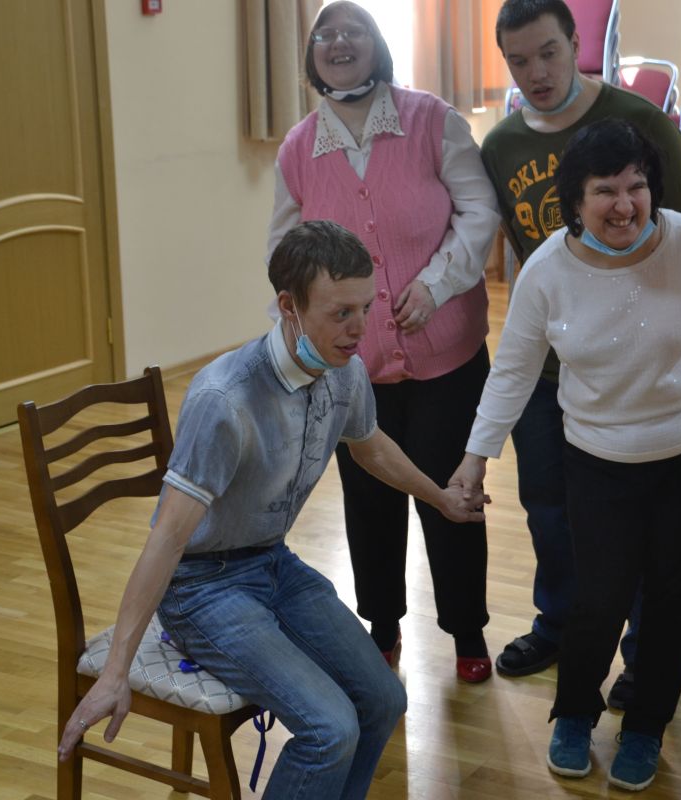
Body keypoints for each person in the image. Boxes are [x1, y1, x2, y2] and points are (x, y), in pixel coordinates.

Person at [57, 221, 488, 800]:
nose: (359, 329)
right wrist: (115, 672)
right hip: (201, 589)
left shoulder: (344, 370)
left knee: (384, 699)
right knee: (329, 730)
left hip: (271, 564)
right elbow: (167, 539)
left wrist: (440, 499)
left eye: (366, 308)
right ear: (289, 307)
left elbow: (370, 447)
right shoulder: (225, 399)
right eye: (341, 313)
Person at [452, 119, 681, 792]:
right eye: (605, 190)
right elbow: (514, 370)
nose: (625, 204)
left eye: (637, 186)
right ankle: (575, 713)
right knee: (596, 598)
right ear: (575, 200)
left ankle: (648, 724)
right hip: (599, 458)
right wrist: (475, 456)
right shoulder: (548, 270)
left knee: (672, 597)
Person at [265, 1, 501, 683]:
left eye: (354, 30)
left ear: (377, 44)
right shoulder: (298, 148)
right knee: (369, 501)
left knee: (451, 490)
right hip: (352, 366)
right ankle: (383, 626)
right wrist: (295, 344)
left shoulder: (432, 119)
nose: (339, 42)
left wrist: (436, 283)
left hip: (447, 354)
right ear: (312, 55)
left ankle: (467, 630)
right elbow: (284, 251)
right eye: (325, 34)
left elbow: (478, 209)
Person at [480, 0, 681, 707]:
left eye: (548, 52)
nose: (536, 72)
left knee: (635, 520)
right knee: (547, 507)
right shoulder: (501, 144)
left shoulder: (644, 122)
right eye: (519, 60)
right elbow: (523, 253)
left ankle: (642, 653)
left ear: (577, 43)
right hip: (547, 366)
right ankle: (561, 624)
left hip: (633, 369)